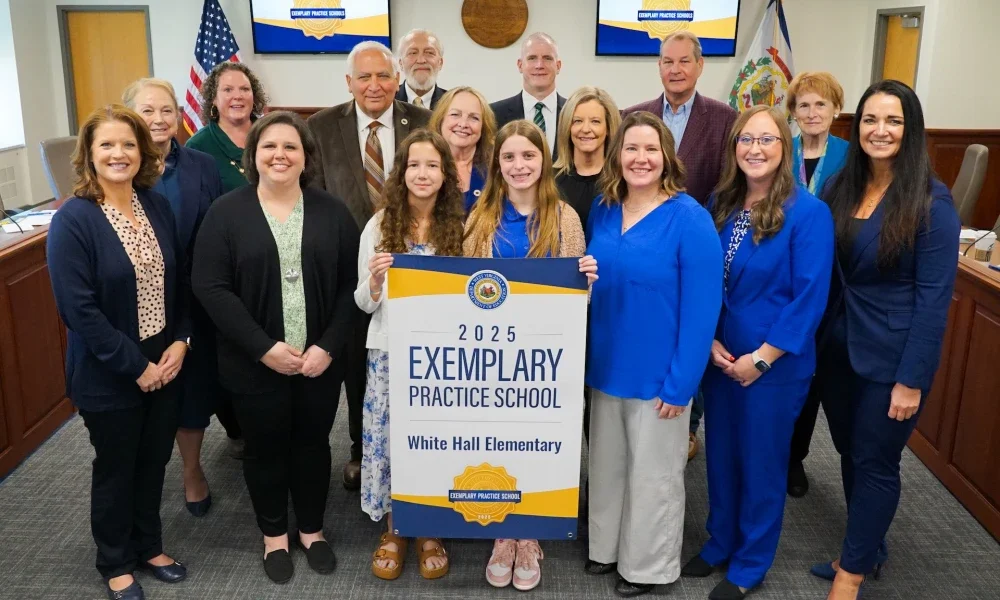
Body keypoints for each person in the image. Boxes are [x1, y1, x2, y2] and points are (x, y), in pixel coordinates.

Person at [192, 111, 360, 584]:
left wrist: (327, 347)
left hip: (318, 363)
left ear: (306, 157)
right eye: (270, 146)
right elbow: (211, 287)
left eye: (291, 147)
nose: (280, 155)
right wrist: (263, 348)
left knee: (312, 445)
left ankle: (311, 530)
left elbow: (353, 285)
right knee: (264, 450)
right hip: (254, 364)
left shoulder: (332, 211)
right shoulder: (226, 213)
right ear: (254, 156)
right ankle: (274, 537)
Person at [809, 80, 960, 600]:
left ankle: (851, 575)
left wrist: (911, 381)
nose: (880, 130)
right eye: (871, 120)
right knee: (851, 452)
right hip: (837, 348)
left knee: (876, 460)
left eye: (893, 121)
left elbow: (934, 303)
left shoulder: (931, 205)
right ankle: (866, 547)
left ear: (910, 128)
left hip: (891, 359)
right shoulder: (839, 188)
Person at [680, 106, 834, 600]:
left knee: (762, 463)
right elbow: (705, 279)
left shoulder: (808, 212)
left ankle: (749, 562)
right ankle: (720, 540)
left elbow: (809, 298)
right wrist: (709, 341)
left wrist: (762, 358)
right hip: (721, 358)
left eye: (767, 139)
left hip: (774, 367)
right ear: (734, 148)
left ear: (783, 148)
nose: (755, 148)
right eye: (746, 139)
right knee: (721, 455)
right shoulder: (720, 202)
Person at [47, 105, 191, 600]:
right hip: (110, 373)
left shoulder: (155, 205)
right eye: (106, 145)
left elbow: (179, 282)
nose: (119, 154)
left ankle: (149, 545)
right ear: (88, 153)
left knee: (153, 463)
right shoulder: (73, 219)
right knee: (116, 466)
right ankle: (114, 561)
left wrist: (180, 341)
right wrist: (137, 367)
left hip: (166, 362)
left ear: (143, 152)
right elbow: (78, 310)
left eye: (128, 144)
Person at [584, 111, 722, 598]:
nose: (640, 158)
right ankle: (605, 548)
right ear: (616, 156)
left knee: (654, 476)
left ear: (666, 157)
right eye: (630, 149)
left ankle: (646, 567)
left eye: (650, 149)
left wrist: (683, 383)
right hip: (605, 366)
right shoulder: (603, 208)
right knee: (607, 466)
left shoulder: (691, 219)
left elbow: (703, 311)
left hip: (661, 374)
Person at [464, 120, 597, 592]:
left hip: (547, 358)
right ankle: (504, 531)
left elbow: (580, 298)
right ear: (497, 165)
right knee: (497, 443)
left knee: (539, 442)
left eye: (528, 156)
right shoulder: (480, 216)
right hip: (492, 356)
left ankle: (531, 534)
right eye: (509, 158)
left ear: (544, 160)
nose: (519, 166)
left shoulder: (565, 218)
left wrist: (587, 280)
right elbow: (462, 288)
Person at [308, 41, 431, 491]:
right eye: (365, 77)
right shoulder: (321, 127)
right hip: (348, 266)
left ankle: (420, 449)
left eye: (383, 76)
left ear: (397, 79)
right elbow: (315, 196)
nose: (374, 85)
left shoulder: (422, 121)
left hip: (418, 265)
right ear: (349, 82)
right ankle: (363, 450)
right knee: (358, 364)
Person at [356, 129, 465, 581]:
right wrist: (377, 283)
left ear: (446, 174)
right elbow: (362, 302)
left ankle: (430, 529)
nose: (423, 174)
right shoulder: (380, 225)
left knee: (435, 439)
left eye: (433, 166)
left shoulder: (462, 226)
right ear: (402, 173)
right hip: (390, 354)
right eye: (414, 165)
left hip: (444, 359)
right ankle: (395, 528)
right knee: (393, 439)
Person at [621, 31, 737, 459]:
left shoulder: (724, 119)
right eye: (667, 61)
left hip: (697, 246)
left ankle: (689, 426)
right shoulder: (633, 116)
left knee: (694, 330)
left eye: (684, 61)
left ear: (700, 66)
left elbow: (729, 188)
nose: (675, 69)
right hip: (645, 251)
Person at [122, 77, 223, 518]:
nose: (159, 120)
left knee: (192, 390)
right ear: (130, 116)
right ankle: (139, 475)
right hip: (136, 301)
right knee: (140, 388)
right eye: (147, 111)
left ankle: (191, 470)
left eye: (166, 110)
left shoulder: (201, 164)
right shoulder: (121, 165)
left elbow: (219, 227)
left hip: (195, 298)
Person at [185, 61, 269, 456]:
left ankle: (265, 421)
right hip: (224, 266)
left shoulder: (270, 134)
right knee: (229, 349)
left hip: (271, 263)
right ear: (213, 101)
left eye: (244, 89)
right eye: (227, 90)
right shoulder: (200, 147)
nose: (238, 96)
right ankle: (238, 429)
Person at [783, 71, 850, 498]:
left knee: (816, 375)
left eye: (820, 105)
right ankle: (780, 453)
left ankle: (797, 457)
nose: (811, 113)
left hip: (836, 279)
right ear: (793, 112)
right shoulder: (777, 149)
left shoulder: (852, 154)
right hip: (782, 277)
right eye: (803, 105)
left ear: (836, 111)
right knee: (786, 370)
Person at [553, 86, 621, 234]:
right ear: (567, 127)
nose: (585, 129)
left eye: (595, 121)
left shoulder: (622, 179)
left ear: (608, 127)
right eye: (577, 121)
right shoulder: (551, 180)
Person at [490, 32, 567, 161]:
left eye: (547, 58)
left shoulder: (574, 112)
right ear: (520, 65)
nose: (539, 65)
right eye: (532, 58)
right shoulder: (493, 114)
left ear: (558, 66)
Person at [428, 86, 496, 212]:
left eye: (474, 118)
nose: (463, 124)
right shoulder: (422, 163)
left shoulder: (497, 167)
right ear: (441, 119)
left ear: (483, 126)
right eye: (455, 115)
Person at [395, 28, 447, 109]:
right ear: (401, 63)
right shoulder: (387, 101)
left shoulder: (452, 103)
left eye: (429, 53)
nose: (421, 60)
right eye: (413, 53)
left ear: (440, 62)